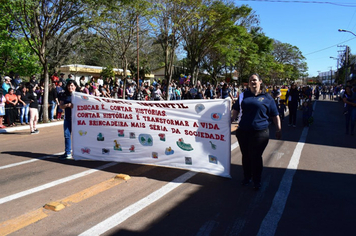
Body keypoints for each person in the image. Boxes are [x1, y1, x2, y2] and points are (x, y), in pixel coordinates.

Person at [231, 74, 281, 190]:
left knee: (256, 156)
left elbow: (275, 115)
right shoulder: (243, 95)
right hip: (243, 132)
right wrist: (230, 119)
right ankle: (247, 177)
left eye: (254, 80)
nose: (252, 82)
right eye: (250, 81)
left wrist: (279, 129)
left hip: (260, 133)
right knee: (246, 155)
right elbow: (236, 110)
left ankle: (256, 180)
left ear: (260, 82)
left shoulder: (267, 97)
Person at [59, 80, 79, 159]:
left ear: (75, 86)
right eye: (68, 86)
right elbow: (61, 106)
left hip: (78, 119)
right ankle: (67, 152)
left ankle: (79, 152)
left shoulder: (79, 96)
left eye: (72, 85)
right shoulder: (64, 95)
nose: (70, 87)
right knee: (67, 135)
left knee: (79, 135)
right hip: (68, 118)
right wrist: (67, 105)